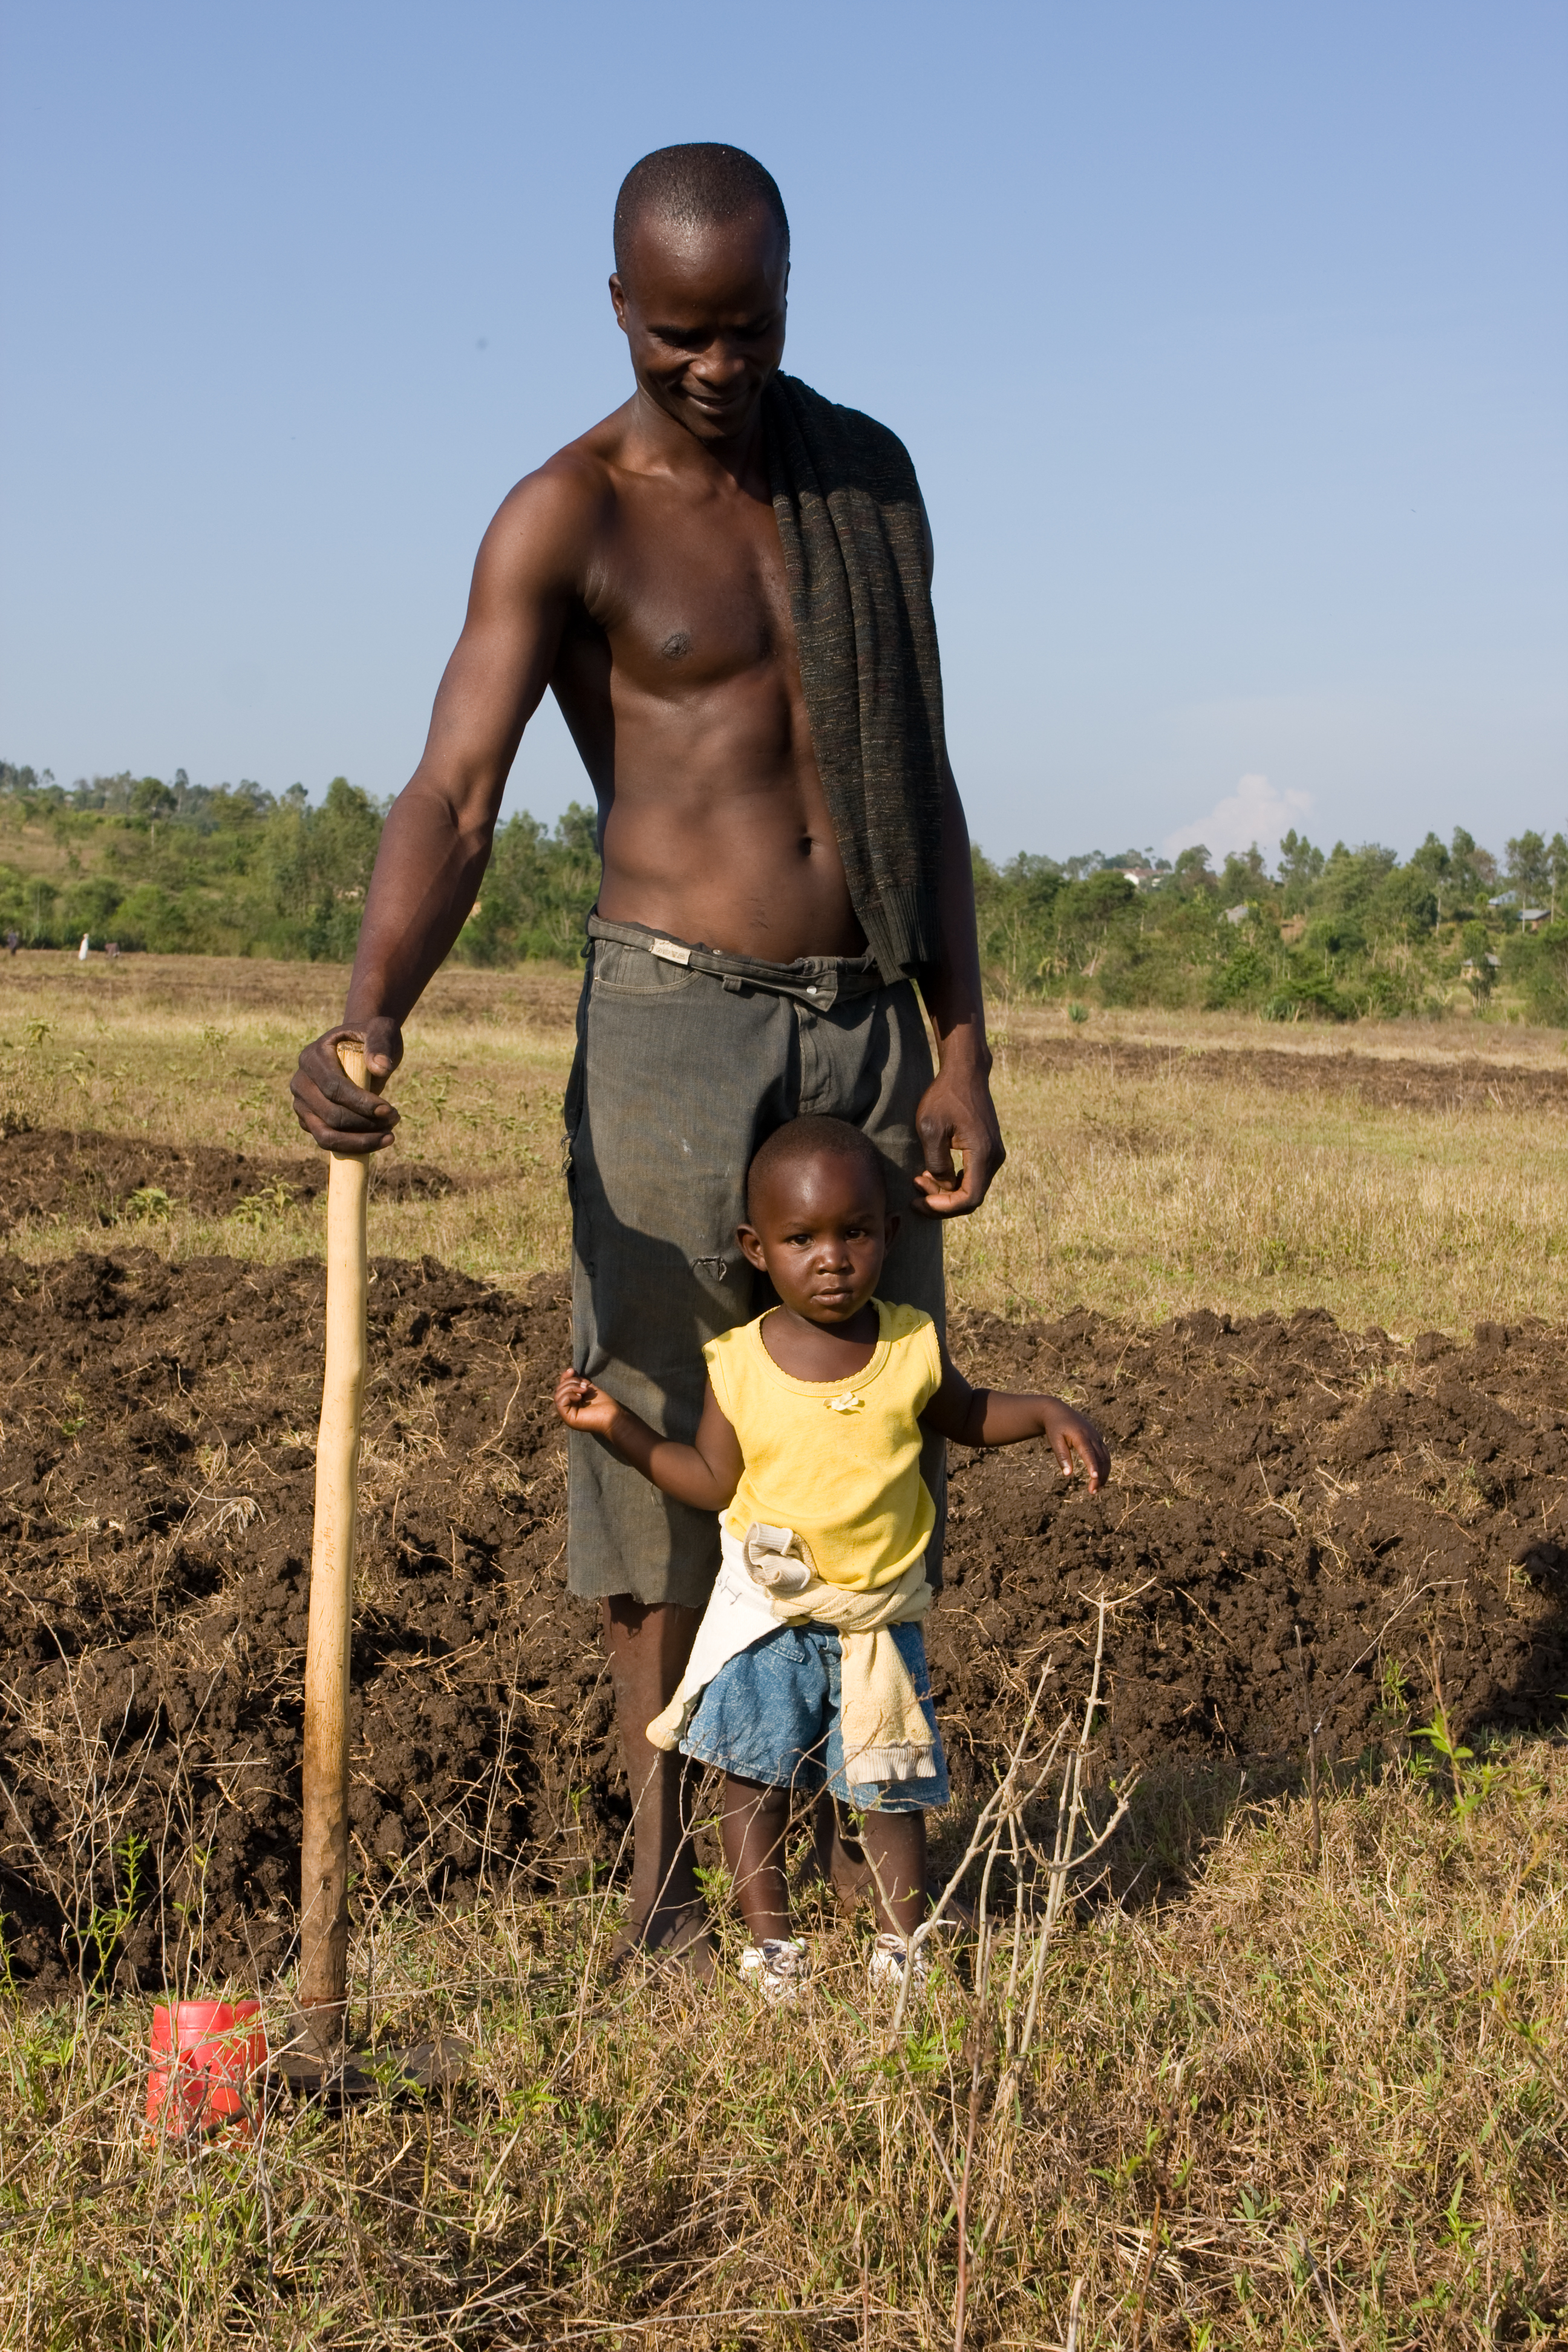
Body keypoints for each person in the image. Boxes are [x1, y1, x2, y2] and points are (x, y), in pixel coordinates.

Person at [289, 142, 1006, 1979]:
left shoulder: (864, 477)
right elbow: (456, 793)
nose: (716, 363)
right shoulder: (569, 514)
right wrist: (376, 999)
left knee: (862, 1429)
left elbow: (917, 772)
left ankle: (872, 1871)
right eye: (680, 332)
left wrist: (963, 1041)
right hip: (672, 1030)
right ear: (619, 309)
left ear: (789, 299)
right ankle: (666, 1883)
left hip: (861, 1012)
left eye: (748, 327)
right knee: (662, 1448)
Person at [554, 1117, 1108, 1999]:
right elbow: (705, 1479)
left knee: (889, 1792)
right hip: (769, 1619)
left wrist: (1042, 1410)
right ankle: (772, 1949)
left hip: (875, 1623)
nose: (833, 1259)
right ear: (757, 1249)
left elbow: (965, 1416)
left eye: (854, 1233)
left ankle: (902, 1944)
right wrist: (615, 1425)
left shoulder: (908, 1345)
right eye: (801, 1239)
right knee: (752, 1784)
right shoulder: (738, 1365)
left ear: (890, 1235)